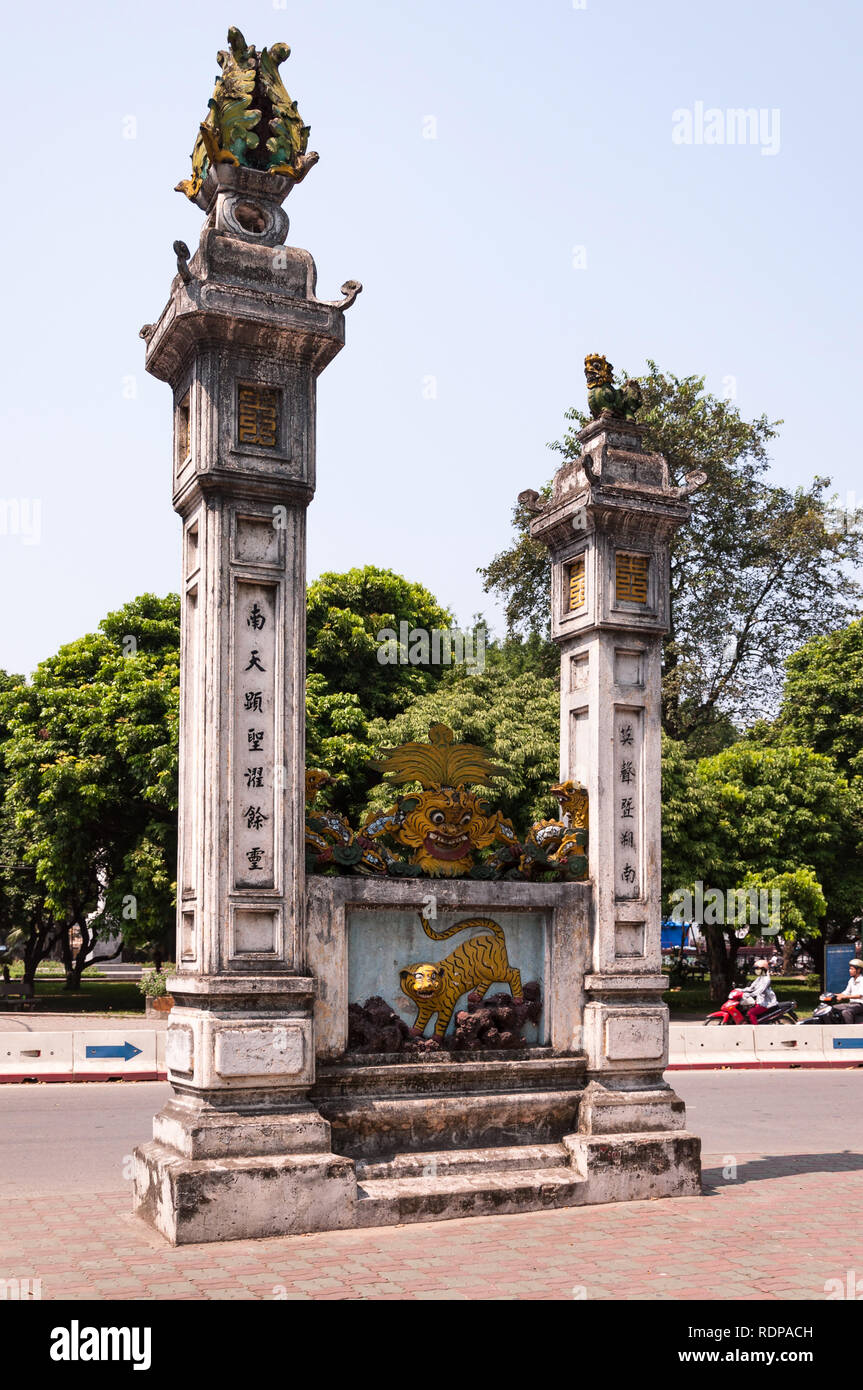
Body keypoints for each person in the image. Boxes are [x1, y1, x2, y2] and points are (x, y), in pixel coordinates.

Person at [828, 959, 863, 1023]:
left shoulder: (862, 980)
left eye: (852, 969)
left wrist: (844, 997)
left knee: (846, 1012)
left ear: (858, 970)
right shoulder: (851, 980)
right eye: (850, 969)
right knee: (832, 1008)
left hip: (860, 1005)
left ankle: (850, 1030)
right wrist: (833, 995)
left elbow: (860, 995)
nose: (849, 971)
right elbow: (845, 993)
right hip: (852, 1004)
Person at [743, 959, 777, 1024]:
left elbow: (760, 990)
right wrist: (740, 990)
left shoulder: (766, 979)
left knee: (751, 1013)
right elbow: (752, 987)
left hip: (766, 1003)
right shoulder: (760, 977)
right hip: (760, 1001)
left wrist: (749, 995)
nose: (756, 970)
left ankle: (757, 1030)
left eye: (757, 968)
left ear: (763, 969)